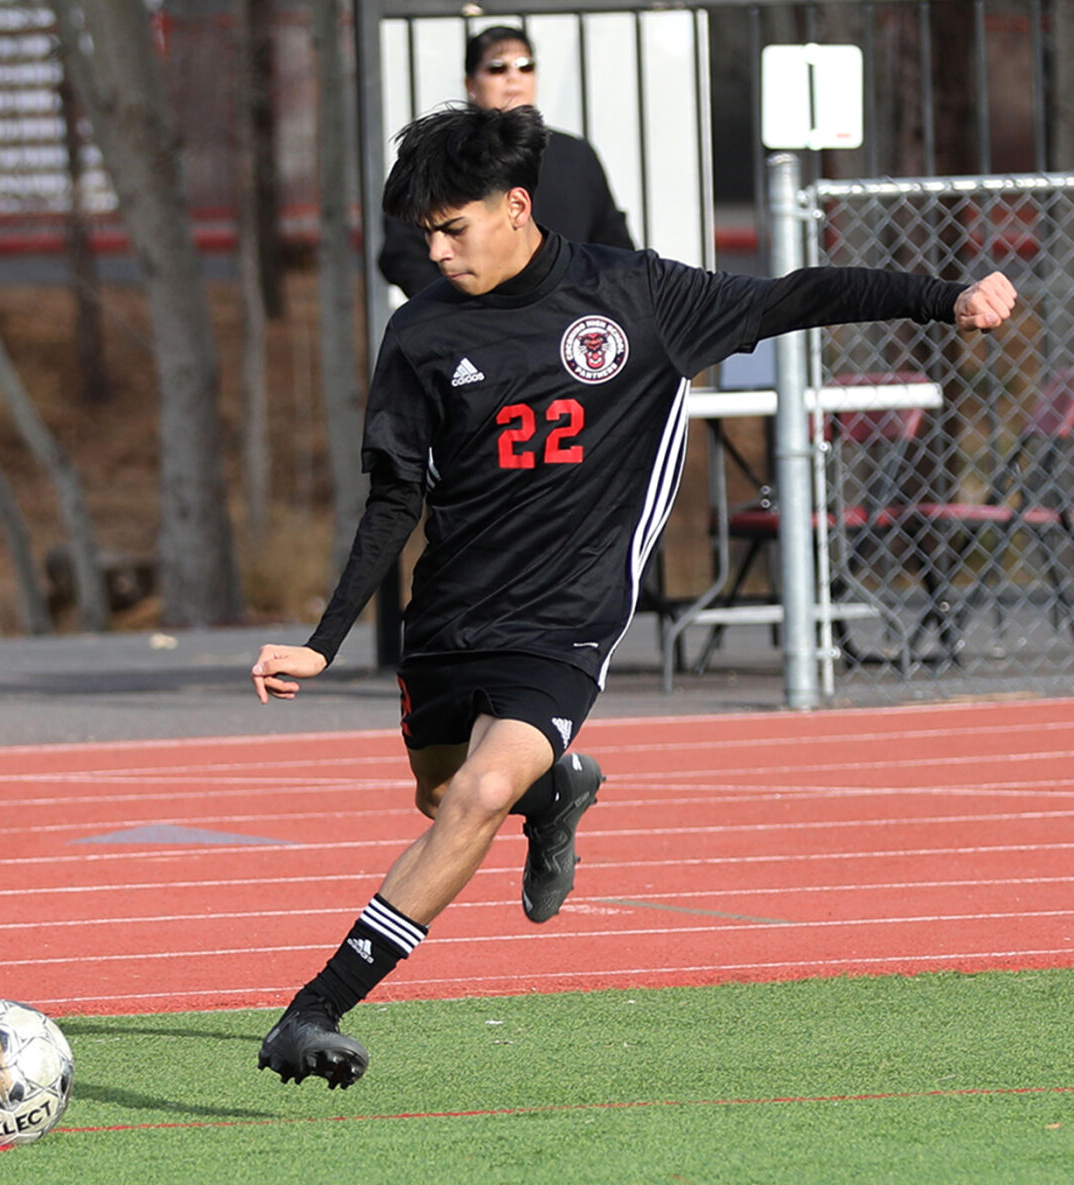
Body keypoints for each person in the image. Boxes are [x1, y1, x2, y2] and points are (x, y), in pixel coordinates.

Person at [250, 102, 1017, 1089]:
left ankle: (311, 1013)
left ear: (514, 205)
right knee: (444, 796)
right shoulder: (420, 332)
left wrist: (942, 298)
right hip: (450, 615)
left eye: (452, 228)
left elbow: (798, 295)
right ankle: (557, 790)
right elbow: (396, 495)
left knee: (476, 798)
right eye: (424, 234)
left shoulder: (632, 296)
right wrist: (325, 639)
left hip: (566, 618)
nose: (436, 251)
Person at [377, 24, 634, 298]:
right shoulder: (443, 156)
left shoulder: (576, 155)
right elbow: (401, 250)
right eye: (497, 68)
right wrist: (453, 308)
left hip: (567, 315)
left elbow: (613, 246)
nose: (514, 78)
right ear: (470, 83)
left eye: (525, 66)